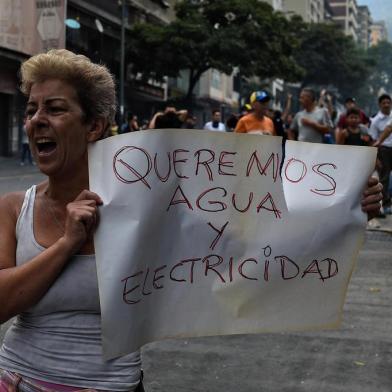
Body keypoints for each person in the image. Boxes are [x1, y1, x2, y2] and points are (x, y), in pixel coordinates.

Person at [0, 50, 144, 391]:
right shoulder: (13, 208)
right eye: (31, 110)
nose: (37, 120)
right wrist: (67, 243)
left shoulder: (141, 210)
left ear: (93, 125)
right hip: (18, 381)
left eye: (55, 108)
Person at [369, 94, 392, 215]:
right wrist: (376, 157)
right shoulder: (375, 121)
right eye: (384, 103)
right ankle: (383, 205)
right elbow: (373, 140)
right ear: (380, 105)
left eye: (389, 102)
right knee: (384, 178)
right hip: (384, 150)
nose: (387, 105)